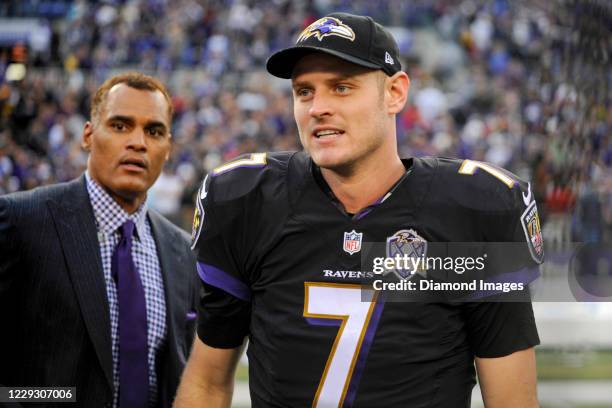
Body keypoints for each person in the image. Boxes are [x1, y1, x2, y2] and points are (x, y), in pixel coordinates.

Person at [176, 13, 542, 408]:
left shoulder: (474, 209)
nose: (318, 108)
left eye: (342, 87)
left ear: (395, 93)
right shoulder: (247, 200)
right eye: (304, 91)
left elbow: (511, 401)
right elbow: (208, 384)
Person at [0, 72, 199, 408]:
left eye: (154, 131)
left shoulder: (182, 251)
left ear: (167, 150)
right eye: (120, 126)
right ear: (88, 136)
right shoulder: (22, 221)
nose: (138, 142)